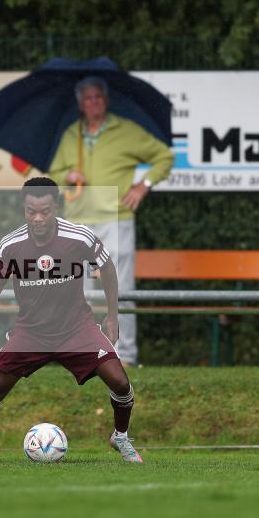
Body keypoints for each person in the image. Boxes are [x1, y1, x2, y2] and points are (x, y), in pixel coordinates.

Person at [0, 177, 142, 463]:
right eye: (30, 211)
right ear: (24, 210)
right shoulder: (10, 245)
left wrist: (112, 316)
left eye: (44, 211)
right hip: (31, 332)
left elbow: (108, 269)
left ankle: (121, 438)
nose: (37, 218)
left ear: (56, 207)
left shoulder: (79, 237)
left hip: (76, 328)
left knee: (120, 382)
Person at [48, 77, 174, 367]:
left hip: (116, 220)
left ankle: (125, 355)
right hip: (78, 222)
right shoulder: (71, 135)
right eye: (88, 98)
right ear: (80, 104)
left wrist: (144, 185)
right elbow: (49, 174)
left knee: (120, 290)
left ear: (105, 101)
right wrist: (66, 176)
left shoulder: (126, 130)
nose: (94, 102)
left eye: (98, 97)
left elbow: (164, 157)